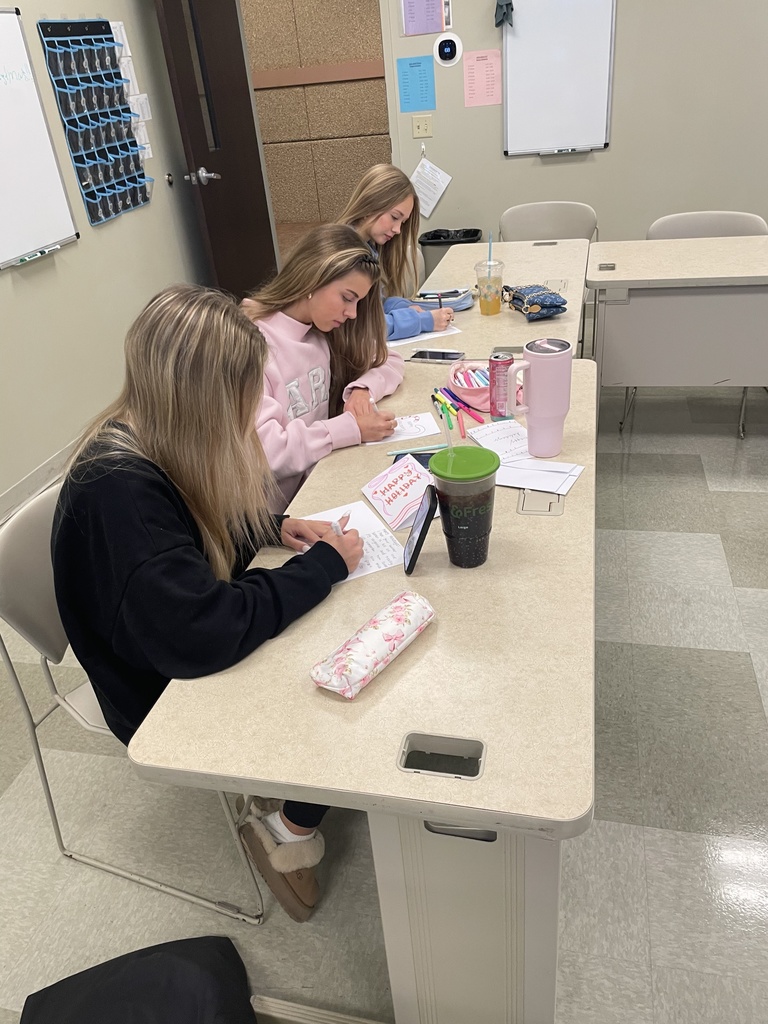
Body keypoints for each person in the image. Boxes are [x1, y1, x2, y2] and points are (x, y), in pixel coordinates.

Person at [51, 284, 363, 922]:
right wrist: (323, 569)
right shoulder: (121, 491)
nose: (253, 412)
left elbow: (189, 536)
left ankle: (297, 801)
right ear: (203, 399)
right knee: (340, 676)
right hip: (154, 688)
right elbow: (200, 633)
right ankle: (285, 826)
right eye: (246, 398)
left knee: (327, 635)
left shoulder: (152, 437)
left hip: (166, 631)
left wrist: (269, 529)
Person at [242, 223, 403, 512]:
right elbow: (266, 453)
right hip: (272, 520)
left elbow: (390, 359)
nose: (352, 313)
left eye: (358, 302)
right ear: (313, 278)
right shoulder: (252, 343)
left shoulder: (320, 330)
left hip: (319, 487)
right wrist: (349, 428)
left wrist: (362, 390)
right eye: (347, 298)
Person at [339, 163, 454, 341]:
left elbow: (374, 304)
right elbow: (363, 328)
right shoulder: (346, 254)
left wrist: (402, 306)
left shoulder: (368, 247)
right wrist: (423, 321)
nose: (398, 230)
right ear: (370, 203)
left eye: (402, 222)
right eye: (394, 217)